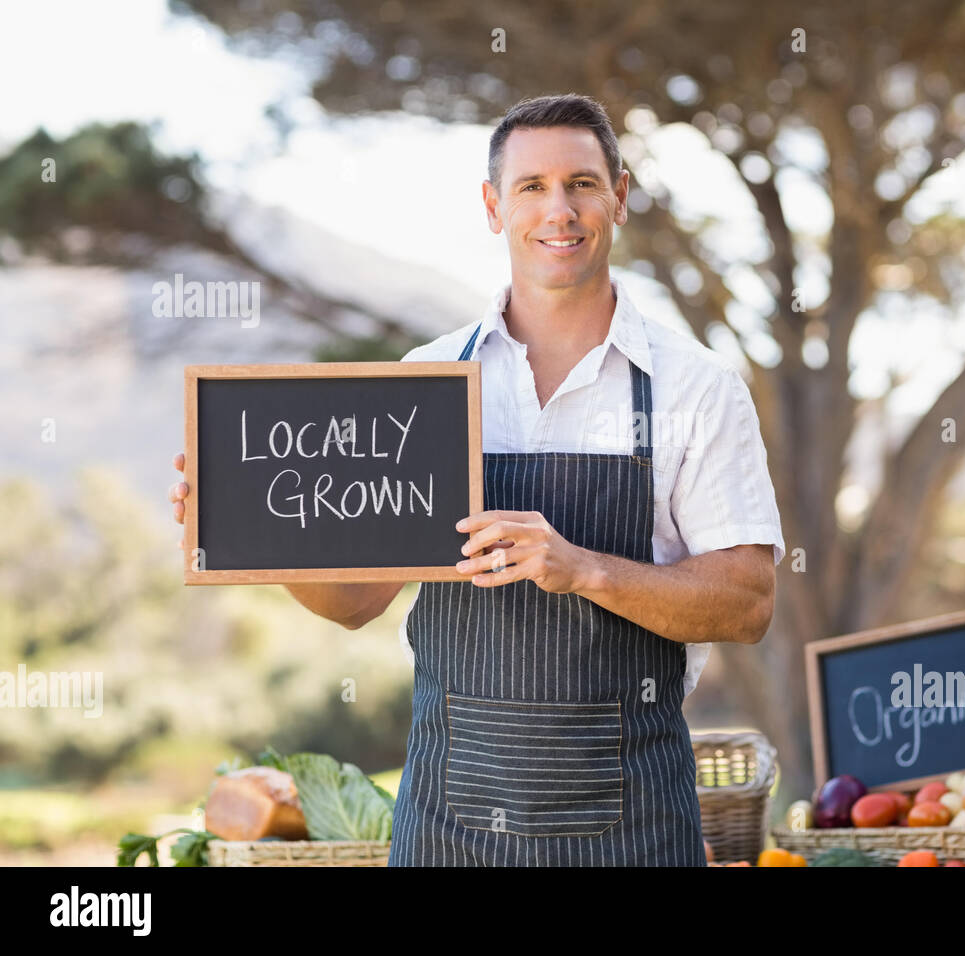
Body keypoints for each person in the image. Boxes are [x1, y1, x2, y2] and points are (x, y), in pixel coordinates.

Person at [169, 93, 784, 866]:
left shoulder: (695, 386)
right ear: (495, 208)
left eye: (582, 184)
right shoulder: (426, 381)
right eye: (531, 187)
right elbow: (355, 603)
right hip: (450, 825)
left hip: (635, 822)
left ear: (619, 198)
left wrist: (585, 568)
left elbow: (748, 601)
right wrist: (247, 524)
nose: (558, 210)